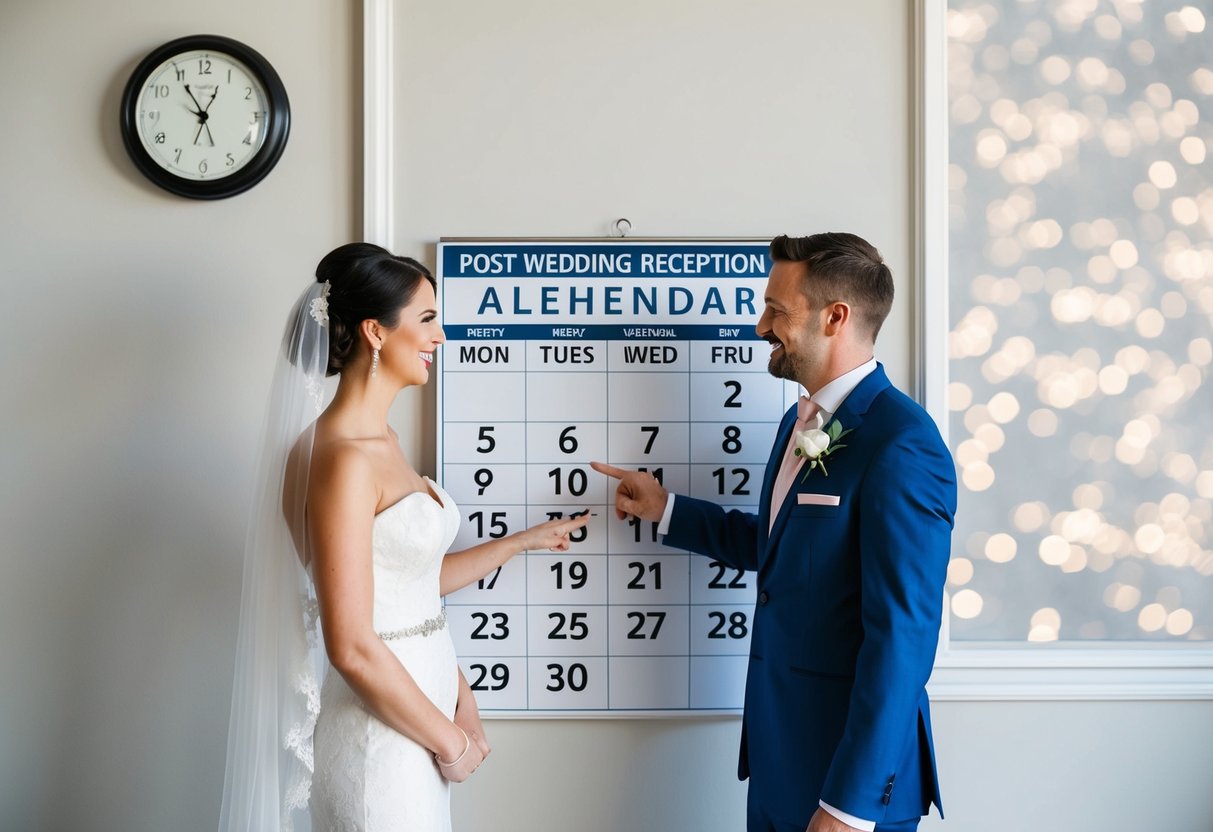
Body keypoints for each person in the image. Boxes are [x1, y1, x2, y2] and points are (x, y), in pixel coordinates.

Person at [593, 232, 956, 832]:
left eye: (776, 311)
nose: (761, 326)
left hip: (847, 789)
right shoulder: (799, 419)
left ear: (834, 317)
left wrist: (849, 808)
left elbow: (903, 639)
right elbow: (783, 550)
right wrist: (668, 509)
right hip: (776, 764)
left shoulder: (902, 444)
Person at [218, 243, 588, 832]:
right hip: (377, 747)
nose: (441, 336)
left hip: (415, 728)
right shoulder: (342, 460)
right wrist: (450, 742)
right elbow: (352, 645)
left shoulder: (382, 441)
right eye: (427, 319)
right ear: (375, 332)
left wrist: (521, 545)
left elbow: (404, 586)